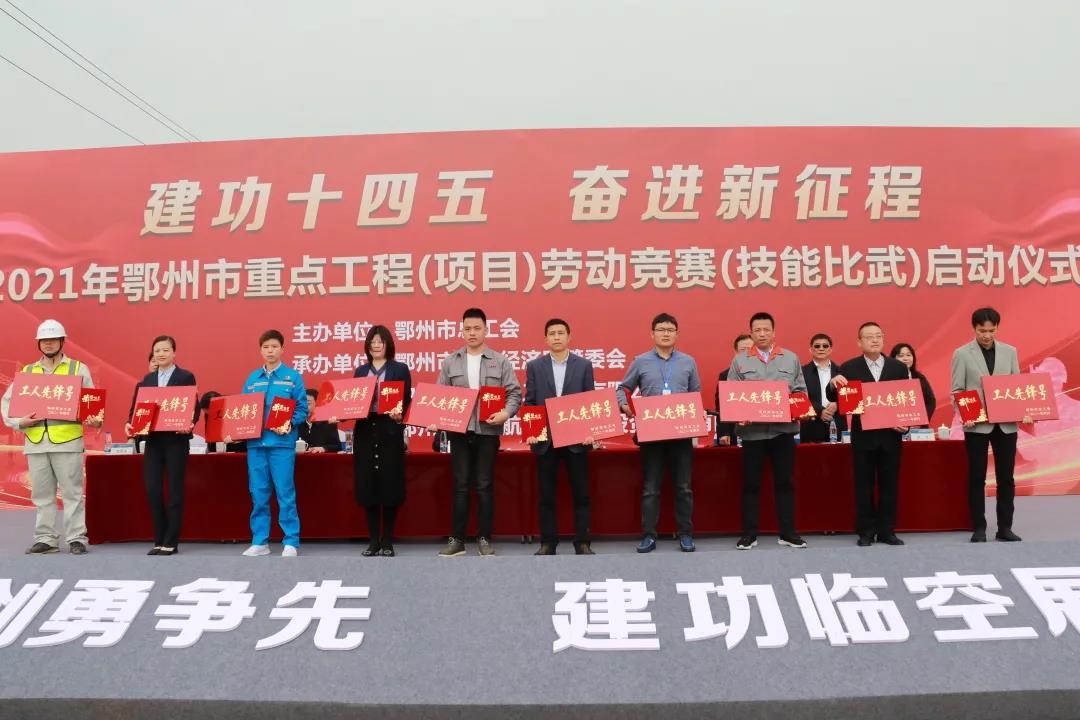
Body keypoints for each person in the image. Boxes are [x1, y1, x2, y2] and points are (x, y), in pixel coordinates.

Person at [1, 319, 99, 555]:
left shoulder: (78, 369)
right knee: (42, 495)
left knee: (72, 493)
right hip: (36, 442)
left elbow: (92, 402)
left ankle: (76, 538)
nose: (48, 344)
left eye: (53, 339)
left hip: (67, 441)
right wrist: (18, 422)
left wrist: (94, 418)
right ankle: (45, 539)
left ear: (62, 342)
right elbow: (7, 402)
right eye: (44, 340)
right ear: (38, 343)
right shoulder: (28, 372)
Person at [434, 308, 521, 557]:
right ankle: (457, 540)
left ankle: (484, 538)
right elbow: (439, 396)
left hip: (488, 432)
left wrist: (505, 413)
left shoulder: (500, 361)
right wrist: (434, 419)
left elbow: (514, 393)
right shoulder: (451, 361)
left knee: (484, 486)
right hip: (459, 432)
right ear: (462, 331)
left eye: (476, 328)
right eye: (467, 329)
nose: (471, 333)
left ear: (486, 330)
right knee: (460, 486)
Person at [617, 312, 701, 553]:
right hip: (651, 435)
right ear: (652, 334)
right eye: (661, 329)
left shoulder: (688, 362)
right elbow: (622, 388)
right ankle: (649, 535)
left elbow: (695, 394)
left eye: (670, 330)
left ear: (677, 334)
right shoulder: (641, 361)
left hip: (680, 435)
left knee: (683, 487)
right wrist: (624, 405)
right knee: (651, 488)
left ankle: (685, 534)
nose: (666, 334)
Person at [726, 312, 808, 550]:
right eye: (757, 330)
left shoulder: (790, 358)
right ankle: (749, 534)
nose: (762, 334)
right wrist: (738, 415)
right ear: (751, 333)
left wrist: (798, 408)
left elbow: (800, 391)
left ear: (774, 332)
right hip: (753, 434)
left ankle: (788, 533)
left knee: (785, 483)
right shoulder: (740, 361)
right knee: (751, 484)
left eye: (766, 330)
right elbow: (731, 395)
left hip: (783, 432)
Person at [828, 321, 910, 547]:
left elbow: (906, 399)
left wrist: (906, 424)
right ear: (859, 342)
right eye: (869, 336)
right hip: (863, 437)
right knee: (863, 486)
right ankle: (866, 531)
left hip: (891, 436)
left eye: (878, 336)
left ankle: (887, 531)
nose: (875, 340)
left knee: (889, 485)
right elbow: (835, 397)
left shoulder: (898, 367)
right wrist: (833, 384)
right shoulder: (849, 367)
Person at [950, 307, 1025, 543]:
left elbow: (1017, 387)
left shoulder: (1010, 352)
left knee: (1006, 478)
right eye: (982, 331)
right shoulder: (962, 354)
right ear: (974, 328)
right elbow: (957, 390)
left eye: (991, 331)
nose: (987, 335)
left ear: (997, 328)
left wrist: (1026, 411)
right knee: (976, 477)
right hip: (977, 425)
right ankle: (979, 527)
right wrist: (966, 414)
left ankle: (1005, 528)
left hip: (1006, 424)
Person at [525, 318, 596, 555]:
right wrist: (532, 431)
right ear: (546, 339)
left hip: (577, 440)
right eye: (552, 333)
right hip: (546, 440)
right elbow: (530, 402)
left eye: (560, 333)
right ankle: (548, 543)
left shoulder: (583, 365)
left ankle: (583, 542)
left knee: (581, 494)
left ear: (569, 337)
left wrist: (590, 432)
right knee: (546, 496)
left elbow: (590, 402)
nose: (556, 337)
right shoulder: (535, 366)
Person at [124, 335, 198, 556]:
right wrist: (130, 423)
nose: (161, 354)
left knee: (174, 491)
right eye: (157, 350)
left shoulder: (185, 376)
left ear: (174, 353)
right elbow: (136, 409)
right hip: (153, 442)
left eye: (165, 350)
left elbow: (192, 405)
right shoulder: (147, 380)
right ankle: (159, 538)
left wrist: (190, 422)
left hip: (176, 441)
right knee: (153, 490)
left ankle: (171, 541)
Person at [237, 329, 309, 557]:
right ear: (260, 350)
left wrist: (289, 423)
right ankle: (260, 541)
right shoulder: (252, 379)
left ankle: (291, 541)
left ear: (282, 349)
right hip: (256, 445)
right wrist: (235, 430)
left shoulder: (292, 377)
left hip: (281, 445)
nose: (270, 351)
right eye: (266, 347)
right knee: (258, 494)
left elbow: (302, 409)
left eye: (274, 347)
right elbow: (243, 410)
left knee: (285, 493)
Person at [352, 325, 411, 557]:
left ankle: (387, 541)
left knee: (390, 484)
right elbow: (352, 402)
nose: (376, 345)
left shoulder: (400, 369)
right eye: (372, 341)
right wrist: (342, 413)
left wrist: (400, 414)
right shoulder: (360, 371)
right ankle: (373, 541)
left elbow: (406, 402)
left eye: (380, 341)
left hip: (389, 431)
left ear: (388, 345)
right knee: (368, 486)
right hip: (366, 431)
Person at [800, 333, 847, 443]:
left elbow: (850, 396)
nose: (821, 348)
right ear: (811, 350)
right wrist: (819, 411)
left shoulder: (842, 371)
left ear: (830, 350)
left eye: (825, 346)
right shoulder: (802, 372)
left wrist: (838, 404)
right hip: (811, 426)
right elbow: (800, 396)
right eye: (817, 346)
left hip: (837, 424)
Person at [714, 334, 753, 446]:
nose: (747, 353)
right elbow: (721, 406)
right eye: (743, 350)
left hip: (759, 430)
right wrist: (724, 433)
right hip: (734, 429)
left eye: (750, 349)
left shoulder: (765, 373)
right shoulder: (726, 375)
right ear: (736, 352)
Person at [889, 343, 937, 423]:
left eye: (908, 355)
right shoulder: (888, 378)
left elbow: (931, 402)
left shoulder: (920, 378)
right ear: (893, 359)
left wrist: (923, 419)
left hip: (918, 425)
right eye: (901, 356)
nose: (905, 358)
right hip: (894, 426)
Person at [298, 388, 342, 453]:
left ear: (317, 404)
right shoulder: (297, 423)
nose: (304, 407)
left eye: (308, 403)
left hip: (321, 458)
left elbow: (338, 446)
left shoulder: (328, 423)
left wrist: (323, 448)